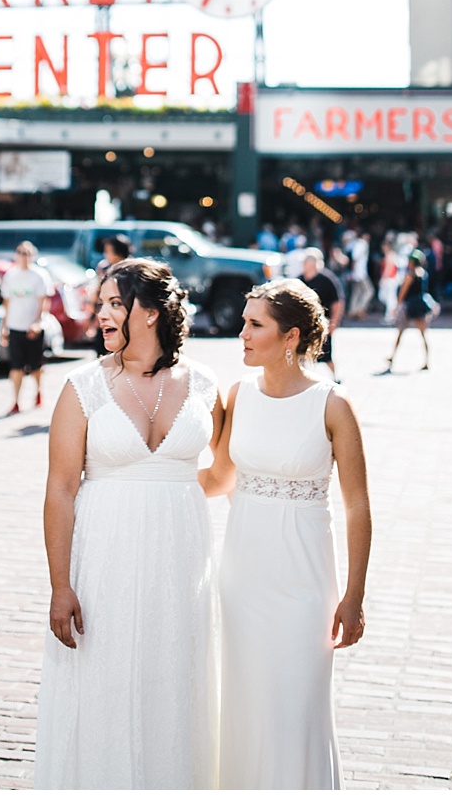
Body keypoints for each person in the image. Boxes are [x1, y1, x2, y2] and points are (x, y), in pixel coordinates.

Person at [35, 258, 223, 789]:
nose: (102, 315)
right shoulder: (82, 387)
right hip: (104, 560)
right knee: (103, 682)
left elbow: (223, 472)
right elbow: (60, 489)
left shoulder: (206, 384)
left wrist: (173, 500)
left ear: (152, 312)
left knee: (174, 681)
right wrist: (59, 585)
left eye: (115, 303)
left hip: (181, 562)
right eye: (101, 304)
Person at [201, 278, 371, 790]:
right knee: (247, 705)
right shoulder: (238, 396)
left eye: (255, 325)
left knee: (296, 709)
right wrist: (143, 483)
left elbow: (358, 506)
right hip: (243, 578)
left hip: (304, 585)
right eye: (245, 323)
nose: (242, 334)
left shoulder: (332, 405)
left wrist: (354, 596)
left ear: (291, 336)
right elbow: (218, 478)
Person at [0, 242, 51, 415]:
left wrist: (38, 322)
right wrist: (4, 327)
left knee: (35, 366)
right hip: (15, 326)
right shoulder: (10, 276)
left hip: (33, 328)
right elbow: (6, 302)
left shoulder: (39, 275)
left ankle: (37, 392)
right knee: (16, 367)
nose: (23, 256)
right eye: (20, 252)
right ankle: (16, 401)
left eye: (27, 253)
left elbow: (44, 301)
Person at [385, 248, 432, 371]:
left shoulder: (410, 275)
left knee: (400, 333)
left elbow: (403, 293)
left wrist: (396, 307)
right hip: (420, 307)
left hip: (410, 308)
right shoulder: (423, 273)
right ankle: (427, 360)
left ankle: (392, 357)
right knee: (423, 335)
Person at [300, 248, 344, 378]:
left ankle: (335, 378)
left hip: (322, 323)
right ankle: (303, 378)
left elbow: (337, 302)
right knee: (302, 353)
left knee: (326, 355)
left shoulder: (326, 280)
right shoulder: (300, 280)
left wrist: (334, 322)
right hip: (304, 324)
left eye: (306, 262)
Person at [85, 234, 131, 356]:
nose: (105, 255)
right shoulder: (104, 268)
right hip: (105, 319)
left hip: (124, 321)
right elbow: (96, 295)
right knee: (103, 356)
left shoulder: (130, 271)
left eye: (108, 251)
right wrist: (92, 321)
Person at [347, 231, 375, 319]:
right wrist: (353, 271)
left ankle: (352, 310)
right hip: (360, 273)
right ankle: (359, 309)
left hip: (357, 272)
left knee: (357, 292)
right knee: (369, 291)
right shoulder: (362, 244)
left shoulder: (355, 243)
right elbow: (355, 259)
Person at [378, 233, 400, 325]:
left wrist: (383, 278)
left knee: (390, 299)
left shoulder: (390, 255)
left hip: (390, 279)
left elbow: (389, 268)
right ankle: (392, 315)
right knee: (385, 298)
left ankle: (390, 316)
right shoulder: (390, 255)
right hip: (391, 280)